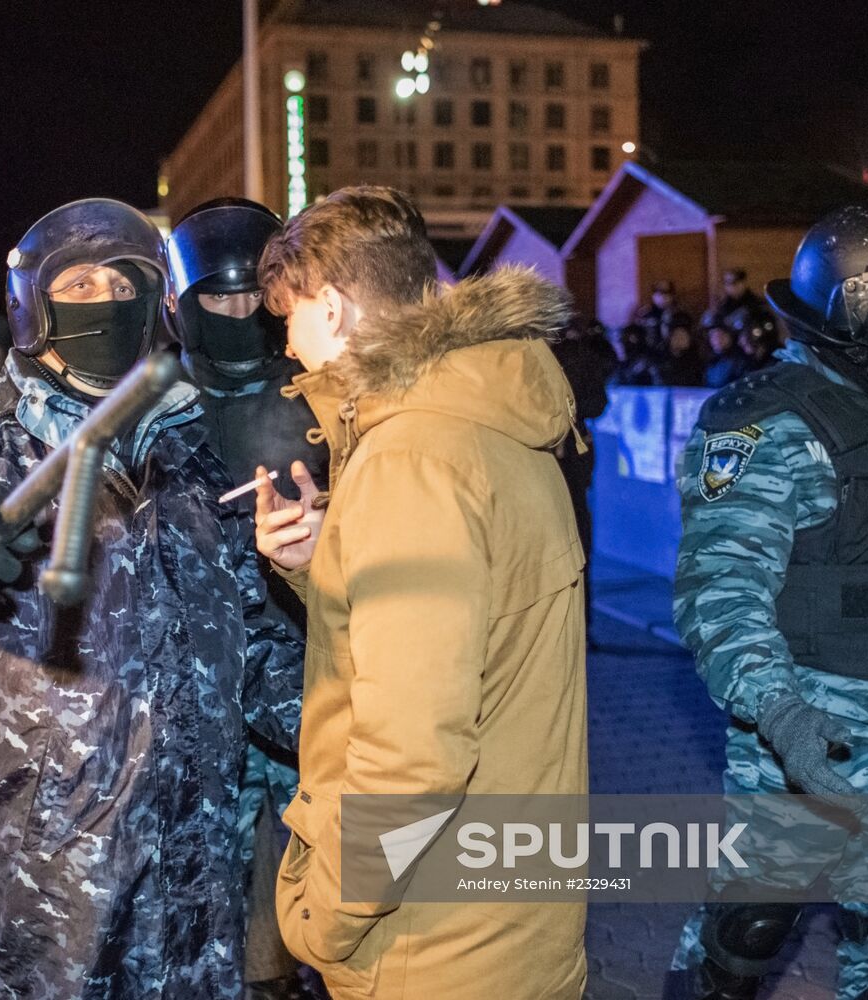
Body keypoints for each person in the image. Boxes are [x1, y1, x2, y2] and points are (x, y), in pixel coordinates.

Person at [0, 198, 302, 999]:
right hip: (54, 890)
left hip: (198, 879)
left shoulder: (191, 455)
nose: (106, 300)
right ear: (32, 307)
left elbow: (254, 643)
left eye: (127, 282)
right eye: (79, 283)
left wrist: (356, 720)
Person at [253, 186, 589, 998]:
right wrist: (321, 561)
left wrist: (326, 916)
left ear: (331, 308)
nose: (289, 349)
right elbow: (463, 635)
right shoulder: (479, 416)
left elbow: (413, 756)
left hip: (431, 945)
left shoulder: (410, 460)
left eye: (288, 318)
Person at [668, 201, 868, 1000]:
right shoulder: (765, 421)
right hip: (807, 741)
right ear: (856, 301)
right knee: (743, 941)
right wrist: (781, 716)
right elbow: (720, 593)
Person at [166, 197, 329, 1000]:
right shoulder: (152, 407)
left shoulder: (325, 394)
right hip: (204, 711)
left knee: (337, 918)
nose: (236, 313)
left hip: (314, 695)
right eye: (215, 297)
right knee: (227, 944)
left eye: (248, 295)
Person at [551, 315, 617, 627]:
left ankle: (580, 621)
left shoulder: (576, 355)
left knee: (576, 534)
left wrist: (568, 415)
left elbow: (598, 401)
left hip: (570, 456)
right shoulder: (531, 354)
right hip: (555, 455)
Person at [632, 279, 694, 354]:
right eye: (658, 293)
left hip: (672, 355)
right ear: (653, 295)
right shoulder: (645, 314)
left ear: (672, 295)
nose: (662, 297)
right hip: (649, 354)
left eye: (666, 293)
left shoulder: (680, 315)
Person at [702, 323, 751, 389]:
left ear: (730, 337)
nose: (717, 340)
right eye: (713, 336)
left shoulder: (740, 360)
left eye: (721, 335)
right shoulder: (710, 360)